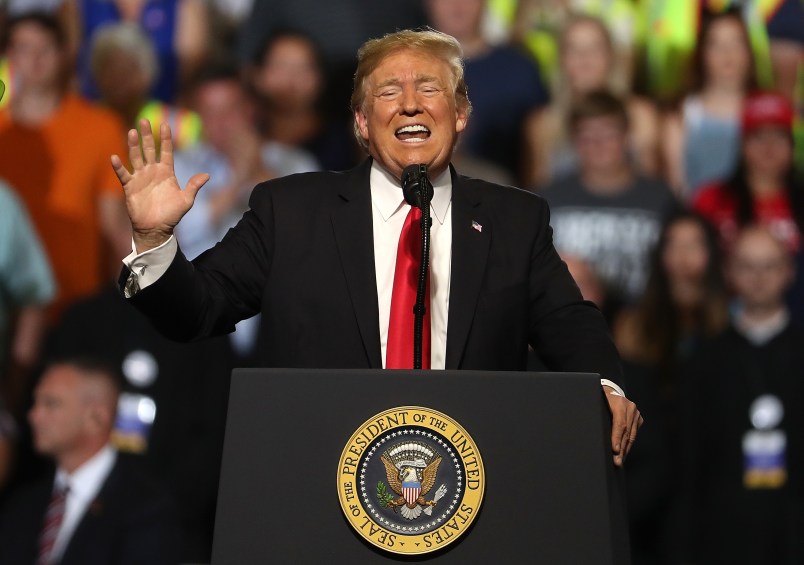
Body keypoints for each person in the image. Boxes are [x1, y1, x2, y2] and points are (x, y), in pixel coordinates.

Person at [112, 29, 642, 465]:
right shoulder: (290, 212)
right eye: (388, 92)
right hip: (318, 485)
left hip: (472, 491)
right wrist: (156, 241)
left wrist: (609, 389)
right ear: (363, 124)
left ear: (460, 114)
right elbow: (196, 310)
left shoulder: (514, 220)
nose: (410, 103)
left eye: (430, 88)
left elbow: (572, 325)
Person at [674, 226, 804, 564]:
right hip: (724, 531)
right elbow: (690, 459)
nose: (759, 278)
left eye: (770, 266)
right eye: (747, 266)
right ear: (730, 272)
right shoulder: (704, 360)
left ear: (789, 271)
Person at [0, 12, 130, 323]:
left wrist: (133, 304)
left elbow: (113, 227)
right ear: (9, 56)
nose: (34, 60)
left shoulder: (101, 127)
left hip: (79, 307)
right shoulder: (2, 131)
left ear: (63, 55)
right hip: (11, 307)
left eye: (44, 49)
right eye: (23, 48)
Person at [0, 358, 180, 564]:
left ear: (96, 418)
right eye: (35, 402)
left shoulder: (146, 510)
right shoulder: (23, 504)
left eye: (51, 403)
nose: (34, 415)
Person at [539, 90, 678, 304]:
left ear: (626, 136)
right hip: (569, 322)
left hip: (648, 324)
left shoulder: (661, 199)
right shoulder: (546, 200)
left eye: (608, 134)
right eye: (587, 136)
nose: (598, 145)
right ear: (573, 140)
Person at [523, 14, 659, 187]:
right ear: (561, 59)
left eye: (595, 48)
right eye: (574, 49)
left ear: (611, 56)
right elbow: (536, 195)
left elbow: (651, 189)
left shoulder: (640, 115)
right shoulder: (543, 123)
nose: (585, 59)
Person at [425, 0, 549, 180]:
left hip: (503, 198)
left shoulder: (518, 68)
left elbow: (540, 157)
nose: (456, 6)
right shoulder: (402, 70)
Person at [662, 8, 757, 198]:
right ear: (702, 54)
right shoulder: (682, 115)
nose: (727, 54)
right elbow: (676, 186)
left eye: (736, 43)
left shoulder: (767, 109)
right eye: (716, 45)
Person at [693, 91, 803, 255]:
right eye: (758, 136)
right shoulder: (710, 201)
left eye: (779, 136)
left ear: (792, 146)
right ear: (741, 145)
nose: (769, 146)